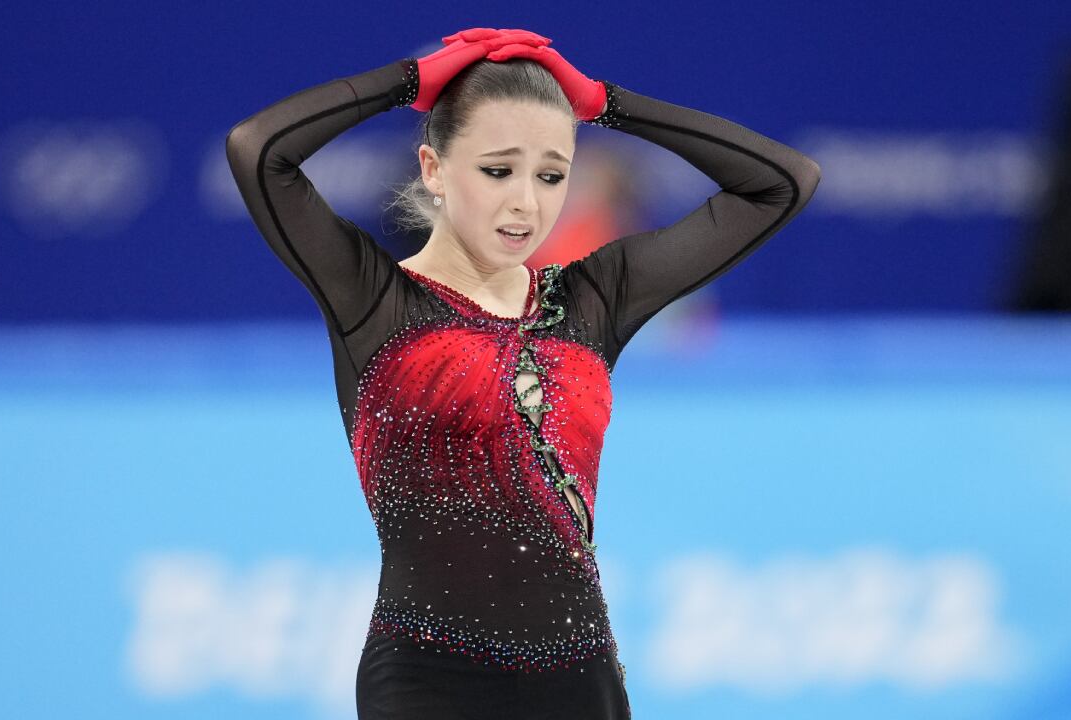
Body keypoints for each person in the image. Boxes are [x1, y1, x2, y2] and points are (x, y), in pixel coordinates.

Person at [226, 27, 820, 720]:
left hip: (580, 682)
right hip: (425, 682)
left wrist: (605, 102)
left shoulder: (594, 298)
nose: (526, 204)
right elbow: (258, 150)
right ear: (434, 168)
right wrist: (409, 80)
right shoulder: (374, 300)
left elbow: (782, 185)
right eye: (497, 169)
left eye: (551, 174)